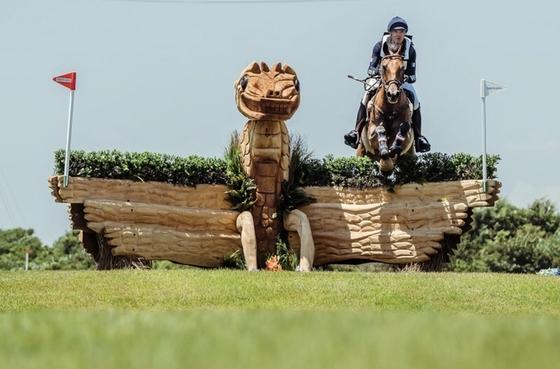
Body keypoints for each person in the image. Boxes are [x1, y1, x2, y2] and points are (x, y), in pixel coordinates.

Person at [344, 16, 431, 153]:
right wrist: (376, 72)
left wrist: (408, 77)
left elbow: (413, 73)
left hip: (401, 81)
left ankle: (419, 138)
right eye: (396, 31)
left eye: (402, 31)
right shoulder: (379, 46)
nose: (399, 34)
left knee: (415, 101)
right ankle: (356, 132)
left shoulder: (410, 49)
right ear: (390, 32)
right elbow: (371, 66)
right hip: (382, 79)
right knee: (366, 97)